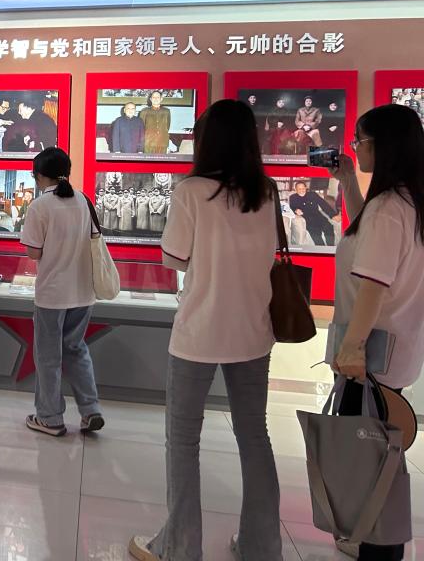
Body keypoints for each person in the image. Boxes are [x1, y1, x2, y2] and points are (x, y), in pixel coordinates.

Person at [130, 99, 280, 561]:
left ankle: (180, 547)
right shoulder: (266, 190)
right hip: (253, 330)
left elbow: (173, 257)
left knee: (183, 440)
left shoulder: (191, 191)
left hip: (199, 331)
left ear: (207, 140)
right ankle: (261, 546)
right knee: (254, 436)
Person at [329, 104, 424, 561]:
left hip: (371, 359)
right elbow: (366, 236)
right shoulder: (404, 202)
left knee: (370, 462)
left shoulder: (389, 209)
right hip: (393, 354)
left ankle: (379, 546)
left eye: (360, 141)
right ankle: (373, 540)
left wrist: (352, 347)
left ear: (382, 146)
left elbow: (373, 285)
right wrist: (349, 180)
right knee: (380, 457)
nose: (355, 148)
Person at [20, 147, 104, 437]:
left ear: (39, 176)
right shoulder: (83, 200)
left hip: (52, 295)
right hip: (83, 292)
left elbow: (34, 252)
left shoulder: (39, 206)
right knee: (76, 349)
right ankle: (91, 410)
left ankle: (50, 417)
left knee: (48, 356)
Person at [287, 181, 339, 247]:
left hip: (318, 215)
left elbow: (323, 204)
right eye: (299, 189)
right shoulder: (293, 197)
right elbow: (292, 207)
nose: (301, 190)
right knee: (315, 232)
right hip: (307, 218)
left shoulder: (313, 194)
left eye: (303, 188)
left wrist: (333, 215)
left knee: (329, 227)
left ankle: (330, 247)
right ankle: (321, 248)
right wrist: (296, 210)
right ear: (296, 190)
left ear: (306, 188)